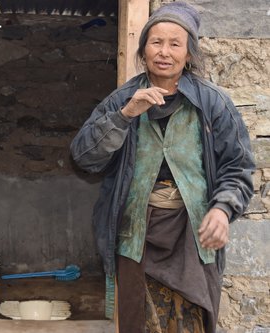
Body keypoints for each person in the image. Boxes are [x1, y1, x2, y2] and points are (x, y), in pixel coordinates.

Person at [70, 2, 255, 332]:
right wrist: (125, 115)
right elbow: (84, 158)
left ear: (189, 53)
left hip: (192, 235)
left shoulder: (213, 103)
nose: (164, 52)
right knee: (138, 322)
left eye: (175, 43)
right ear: (143, 50)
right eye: (156, 42)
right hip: (135, 234)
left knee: (191, 322)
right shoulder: (123, 98)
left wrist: (223, 209)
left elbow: (238, 166)